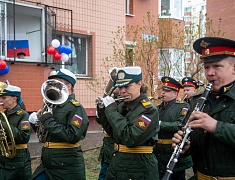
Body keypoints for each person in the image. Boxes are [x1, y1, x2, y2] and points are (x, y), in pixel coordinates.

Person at [172, 36, 235, 180]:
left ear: (234, 68)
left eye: (217, 66)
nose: (209, 73)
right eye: (207, 67)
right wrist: (186, 147)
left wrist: (217, 127)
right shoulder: (197, 101)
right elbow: (196, 141)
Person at [97, 66, 160, 180]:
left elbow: (130, 138)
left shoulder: (149, 110)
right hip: (118, 162)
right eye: (120, 87)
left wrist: (111, 110)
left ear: (139, 84)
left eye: (127, 86)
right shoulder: (121, 105)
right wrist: (102, 111)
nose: (122, 91)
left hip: (139, 166)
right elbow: (114, 133)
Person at [31, 69, 89, 180]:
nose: (53, 87)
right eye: (52, 84)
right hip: (48, 163)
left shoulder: (75, 108)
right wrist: (35, 123)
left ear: (68, 86)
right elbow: (45, 136)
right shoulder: (53, 105)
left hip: (66, 166)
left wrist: (47, 120)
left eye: (58, 83)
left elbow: (72, 135)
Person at [153, 76, 192, 180]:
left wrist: (159, 124)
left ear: (175, 94)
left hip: (173, 152)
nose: (163, 93)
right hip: (158, 153)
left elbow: (180, 125)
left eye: (167, 91)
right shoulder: (158, 108)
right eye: (163, 90)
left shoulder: (183, 107)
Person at [0, 84, 32, 179]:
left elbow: (24, 137)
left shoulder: (23, 115)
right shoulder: (2, 115)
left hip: (17, 159)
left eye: (4, 97)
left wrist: (4, 125)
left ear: (14, 99)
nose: (1, 100)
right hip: (3, 158)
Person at [96, 87, 119, 180]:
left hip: (115, 146)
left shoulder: (122, 103)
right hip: (107, 146)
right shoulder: (111, 99)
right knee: (103, 174)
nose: (114, 88)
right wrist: (100, 110)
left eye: (117, 85)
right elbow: (101, 121)